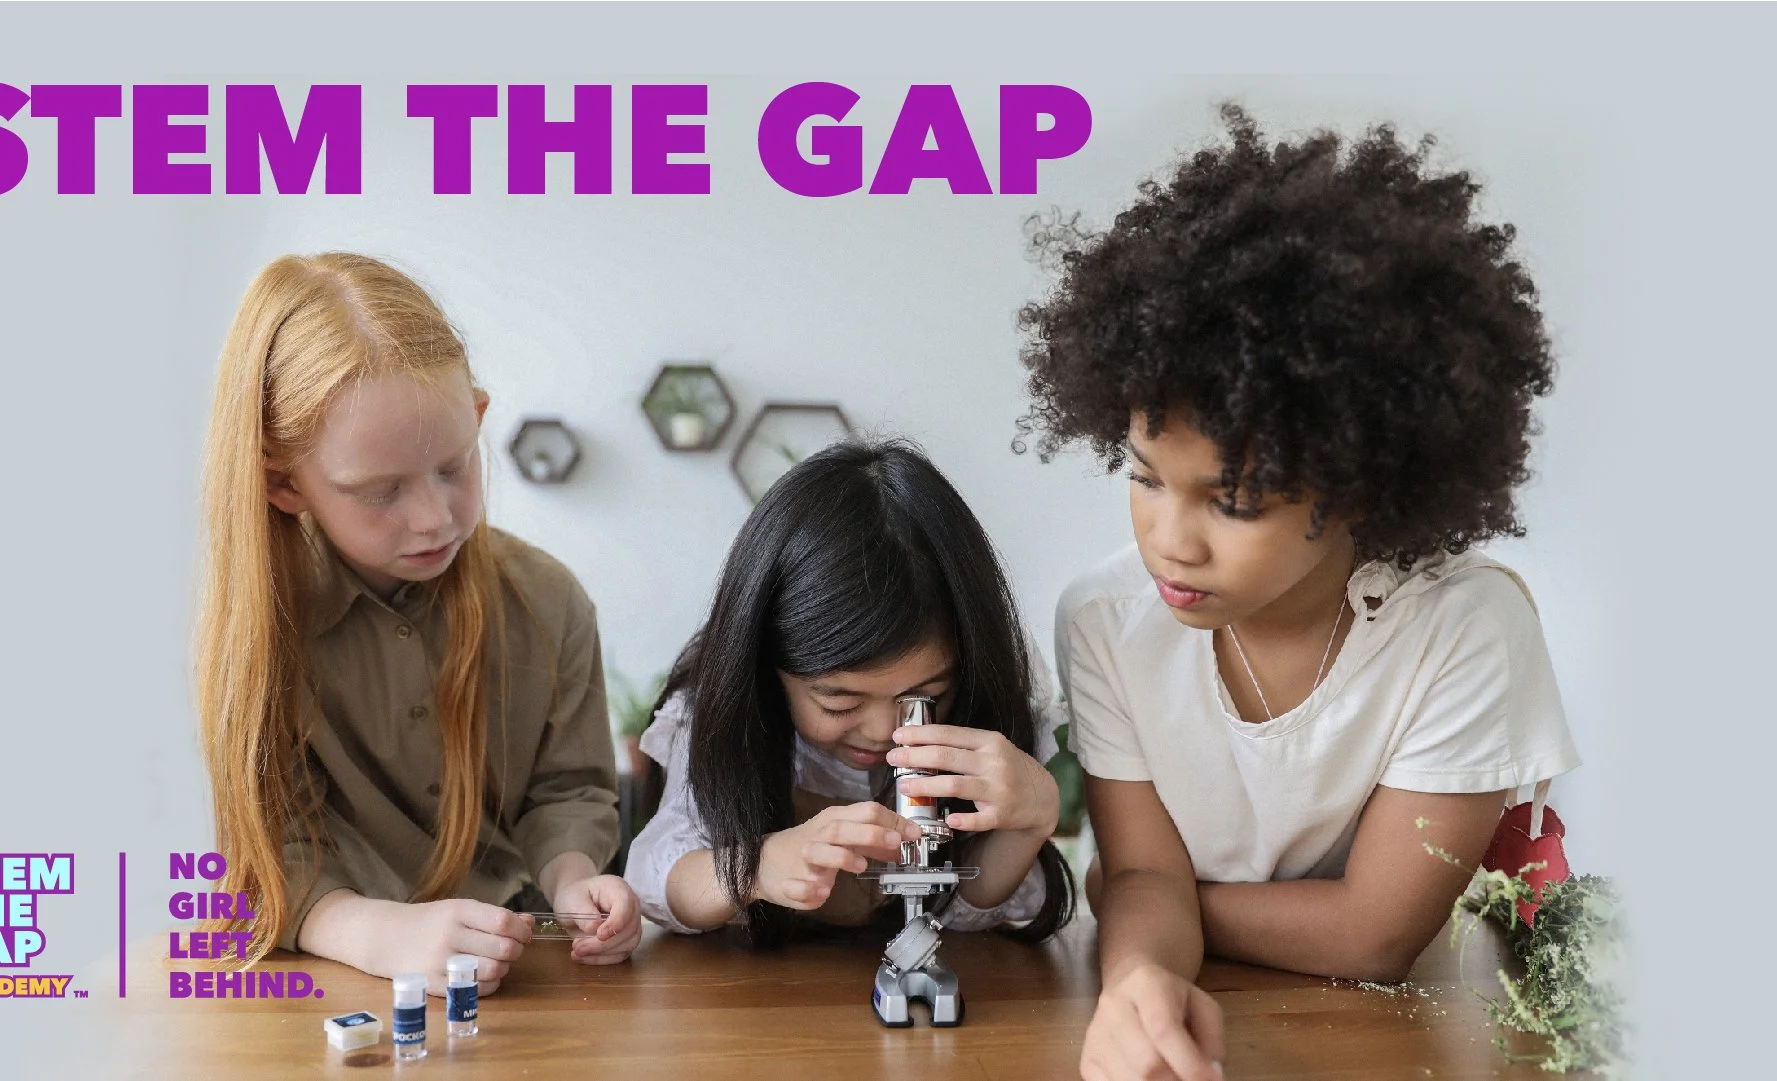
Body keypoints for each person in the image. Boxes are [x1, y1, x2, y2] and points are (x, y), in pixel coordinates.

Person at [1018, 107, 1581, 1081]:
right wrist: (1139, 981)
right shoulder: (1106, 621)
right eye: (1144, 476)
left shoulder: (1463, 628)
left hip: (1392, 1039)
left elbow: (1374, 935)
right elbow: (1144, 875)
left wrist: (1152, 899)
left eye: (1232, 502)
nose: (1169, 540)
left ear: (1357, 484)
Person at [195, 252, 640, 996]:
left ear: (478, 417)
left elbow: (567, 792)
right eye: (379, 492)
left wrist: (573, 882)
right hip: (313, 980)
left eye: (454, 467)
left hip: (517, 965)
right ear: (281, 482)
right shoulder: (247, 634)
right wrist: (373, 932)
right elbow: (262, 849)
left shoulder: (550, 601)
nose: (435, 518)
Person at [625, 440, 1075, 946]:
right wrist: (755, 867)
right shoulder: (720, 713)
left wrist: (1029, 825)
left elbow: (965, 915)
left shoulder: (987, 699)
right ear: (767, 669)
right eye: (839, 703)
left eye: (925, 696)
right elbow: (655, 881)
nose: (885, 733)